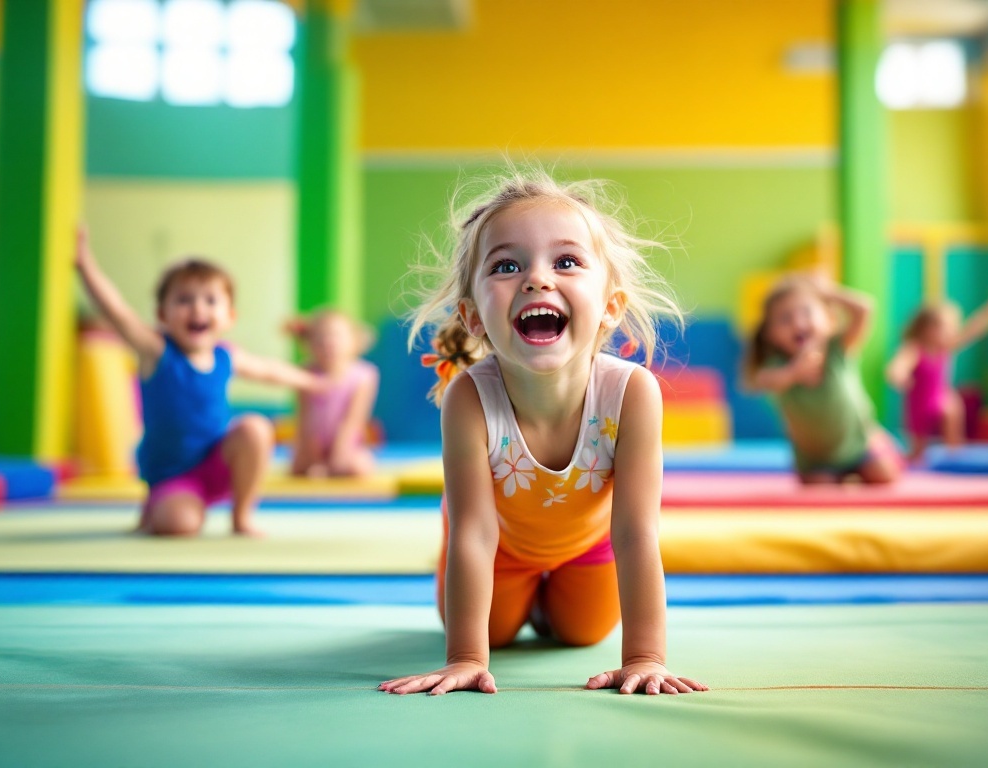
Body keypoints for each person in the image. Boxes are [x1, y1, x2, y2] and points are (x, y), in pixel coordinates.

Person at [379, 171, 708, 697]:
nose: (537, 279)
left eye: (567, 261)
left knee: (578, 634)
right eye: (507, 265)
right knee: (496, 637)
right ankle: (517, 597)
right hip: (501, 550)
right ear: (473, 317)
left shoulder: (632, 393)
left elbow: (636, 531)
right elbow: (475, 532)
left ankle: (549, 598)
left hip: (588, 548)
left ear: (609, 306)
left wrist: (646, 658)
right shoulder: (469, 397)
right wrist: (465, 656)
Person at [75, 227, 323, 536]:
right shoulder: (157, 352)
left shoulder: (226, 356)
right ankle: (158, 506)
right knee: (178, 526)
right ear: (161, 314)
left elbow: (270, 370)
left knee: (256, 428)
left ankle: (241, 516)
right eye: (184, 300)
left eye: (210, 300)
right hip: (173, 475)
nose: (198, 309)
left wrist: (314, 382)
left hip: (217, 465)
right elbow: (118, 313)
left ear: (229, 316)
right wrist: (84, 265)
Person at [745, 275, 900, 485]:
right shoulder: (779, 366)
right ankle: (840, 475)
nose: (798, 323)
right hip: (817, 458)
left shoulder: (838, 349)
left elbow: (866, 309)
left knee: (884, 476)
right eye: (784, 319)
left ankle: (879, 441)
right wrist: (793, 372)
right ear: (771, 334)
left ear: (828, 319)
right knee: (820, 491)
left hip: (858, 444)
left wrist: (828, 292)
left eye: (807, 312)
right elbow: (760, 381)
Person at [886, 294, 988, 462]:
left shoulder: (945, 347)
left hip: (939, 397)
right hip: (919, 404)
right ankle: (914, 457)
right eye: (946, 327)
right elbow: (897, 366)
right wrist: (899, 376)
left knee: (951, 405)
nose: (952, 331)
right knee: (918, 453)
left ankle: (954, 451)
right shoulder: (914, 348)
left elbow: (972, 330)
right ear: (927, 328)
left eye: (953, 327)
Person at [286, 310, 380, 477]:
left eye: (336, 336)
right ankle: (319, 464)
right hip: (314, 443)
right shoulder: (306, 374)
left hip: (348, 444)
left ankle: (333, 465)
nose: (328, 343)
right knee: (298, 467)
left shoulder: (364, 375)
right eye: (320, 338)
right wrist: (311, 456)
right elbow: (304, 419)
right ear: (309, 344)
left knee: (359, 467)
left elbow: (353, 420)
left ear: (354, 341)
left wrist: (338, 457)